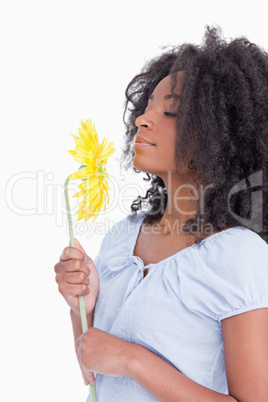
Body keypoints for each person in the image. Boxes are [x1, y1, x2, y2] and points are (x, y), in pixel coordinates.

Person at [54, 27, 268, 401]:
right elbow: (95, 373)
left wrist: (135, 361)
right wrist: (82, 309)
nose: (142, 120)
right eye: (146, 106)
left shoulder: (239, 257)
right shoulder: (122, 238)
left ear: (221, 134)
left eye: (170, 111)